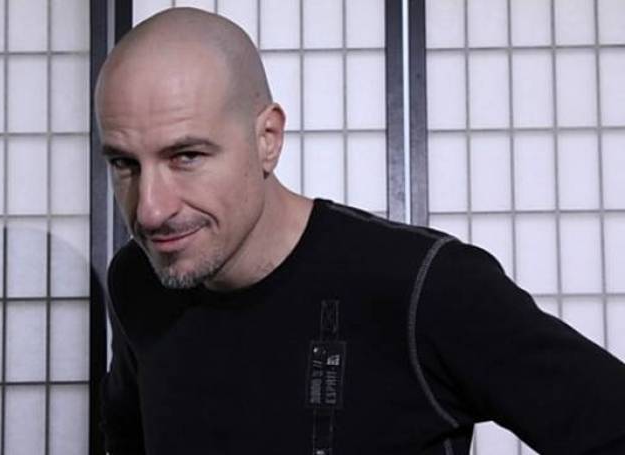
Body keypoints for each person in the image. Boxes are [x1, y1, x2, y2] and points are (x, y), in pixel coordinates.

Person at [95, 7, 625, 455]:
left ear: (267, 139)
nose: (150, 211)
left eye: (186, 156)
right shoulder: (139, 279)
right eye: (124, 163)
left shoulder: (424, 287)